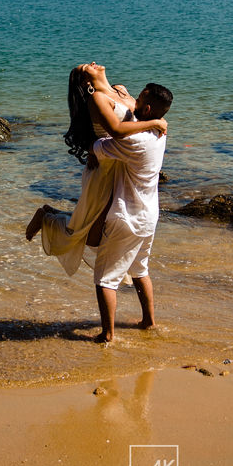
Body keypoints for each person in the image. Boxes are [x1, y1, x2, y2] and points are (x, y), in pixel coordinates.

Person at [25, 63, 166, 277]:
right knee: (92, 237)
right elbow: (117, 130)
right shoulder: (97, 98)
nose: (91, 63)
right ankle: (46, 216)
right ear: (86, 82)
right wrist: (155, 122)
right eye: (85, 67)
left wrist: (158, 121)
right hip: (104, 167)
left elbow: (145, 112)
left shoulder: (122, 89)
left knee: (98, 233)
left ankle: (53, 214)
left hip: (124, 165)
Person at [87, 82, 172, 343]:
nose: (132, 97)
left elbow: (99, 144)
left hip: (127, 218)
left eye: (139, 96)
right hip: (149, 217)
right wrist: (120, 93)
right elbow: (134, 115)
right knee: (140, 270)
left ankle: (108, 334)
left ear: (146, 108)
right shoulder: (158, 132)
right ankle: (149, 321)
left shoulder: (134, 141)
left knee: (105, 280)